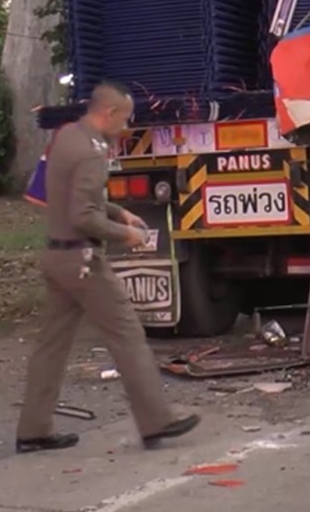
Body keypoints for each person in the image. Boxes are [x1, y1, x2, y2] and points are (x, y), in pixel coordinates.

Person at [15, 81, 200, 453]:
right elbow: (83, 215)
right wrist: (124, 234)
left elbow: (65, 196)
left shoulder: (67, 137)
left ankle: (32, 429)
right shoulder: (89, 153)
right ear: (109, 113)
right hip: (83, 260)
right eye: (126, 118)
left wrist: (118, 211)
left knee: (50, 347)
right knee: (128, 335)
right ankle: (156, 421)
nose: (127, 127)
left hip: (58, 257)